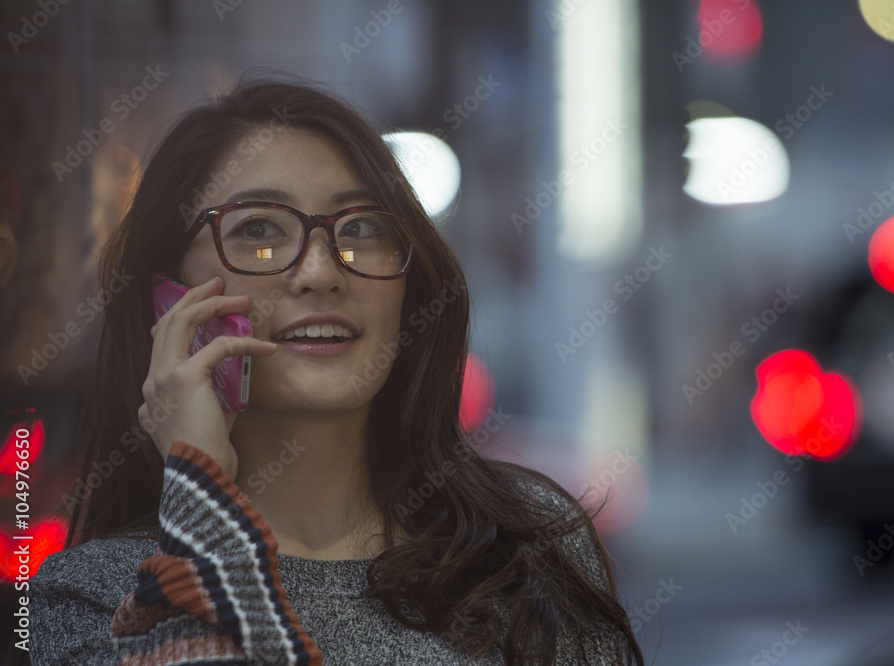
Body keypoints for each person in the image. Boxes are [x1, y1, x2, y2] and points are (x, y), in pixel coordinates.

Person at [27, 74, 645, 665]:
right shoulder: (91, 598)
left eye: (363, 228)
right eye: (260, 231)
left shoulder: (529, 550)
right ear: (169, 297)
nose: (321, 271)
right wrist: (202, 494)